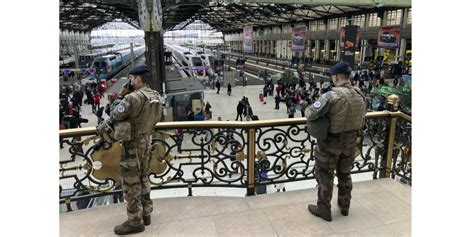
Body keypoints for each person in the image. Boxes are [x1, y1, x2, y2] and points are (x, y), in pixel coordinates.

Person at [96, 65, 162, 235]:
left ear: (138, 79)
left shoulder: (133, 98)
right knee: (143, 177)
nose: (131, 82)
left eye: (132, 79)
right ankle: (146, 213)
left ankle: (134, 221)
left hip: (132, 144)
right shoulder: (155, 95)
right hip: (147, 141)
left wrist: (120, 95)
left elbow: (114, 114)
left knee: (131, 181)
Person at [305, 61, 367, 222]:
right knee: (345, 174)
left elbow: (310, 114)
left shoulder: (331, 95)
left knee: (325, 175)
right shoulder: (360, 94)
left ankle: (324, 209)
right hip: (351, 142)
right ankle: (345, 206)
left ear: (336, 77)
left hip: (331, 144)